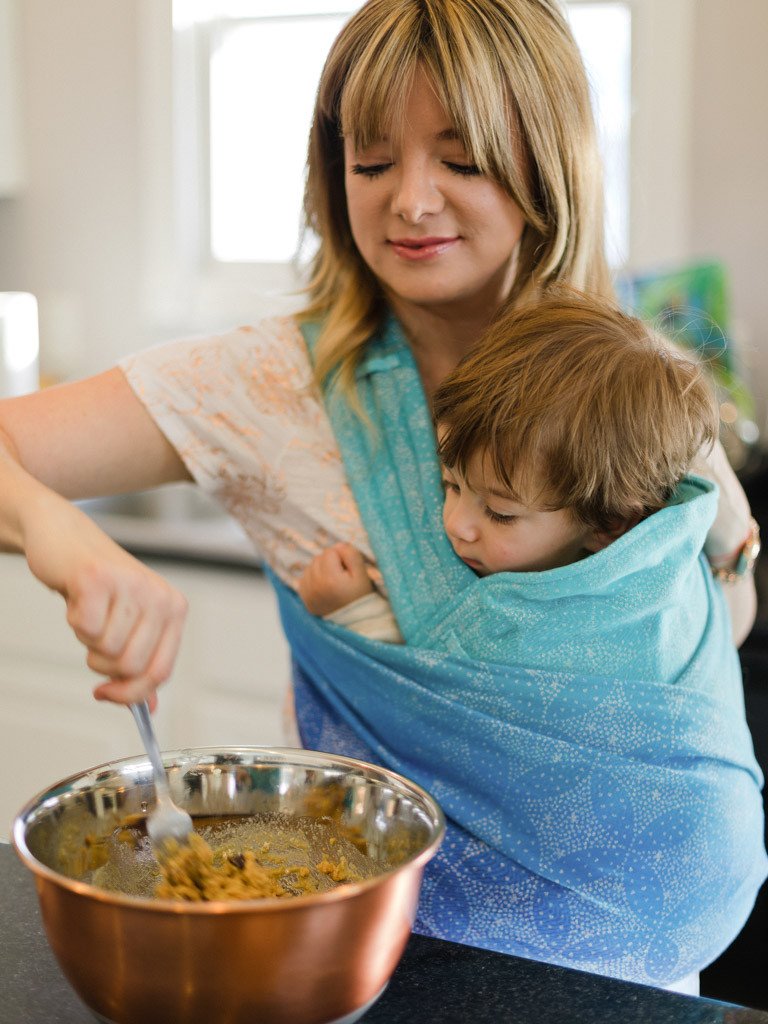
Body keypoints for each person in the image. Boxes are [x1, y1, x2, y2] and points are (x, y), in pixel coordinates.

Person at [0, 0, 764, 991]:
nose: (410, 201)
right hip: (365, 958)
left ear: (550, 160)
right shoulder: (261, 384)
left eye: (462, 160)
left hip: (637, 975)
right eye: (371, 162)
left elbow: (711, 623)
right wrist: (65, 541)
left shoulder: (632, 387)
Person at [298, 291, 720, 647]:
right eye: (450, 484)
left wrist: (357, 615)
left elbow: (452, 697)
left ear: (609, 523)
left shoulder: (623, 624)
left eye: (500, 512)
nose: (456, 524)